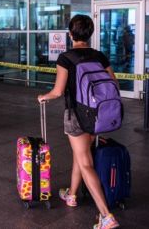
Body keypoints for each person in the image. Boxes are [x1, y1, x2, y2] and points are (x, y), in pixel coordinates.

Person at [37, 15, 120, 229]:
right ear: (90, 34)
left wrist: (43, 96)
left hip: (77, 115)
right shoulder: (99, 56)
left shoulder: (66, 58)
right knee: (80, 155)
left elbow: (58, 91)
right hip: (98, 115)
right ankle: (72, 195)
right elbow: (114, 83)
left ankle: (106, 216)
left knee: (85, 162)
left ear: (70, 34)